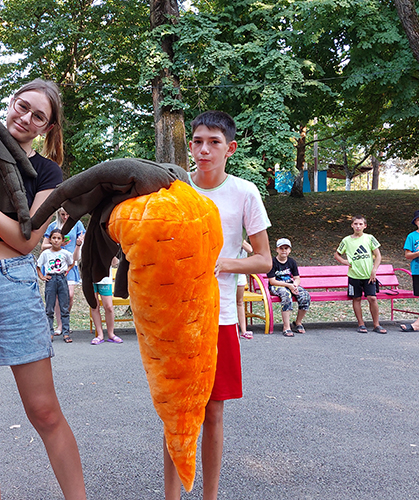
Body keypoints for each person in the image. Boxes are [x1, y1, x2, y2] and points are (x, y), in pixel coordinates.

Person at [0, 78, 86, 499]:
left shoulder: (46, 172)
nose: (24, 118)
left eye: (37, 116)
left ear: (47, 128)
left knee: (44, 411)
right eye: (21, 106)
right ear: (10, 102)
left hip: (14, 282)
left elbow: (27, 239)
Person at [170, 110, 272, 500]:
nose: (204, 149)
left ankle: (209, 496)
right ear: (190, 146)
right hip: (178, 319)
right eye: (197, 141)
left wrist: (223, 264)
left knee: (212, 414)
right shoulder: (175, 190)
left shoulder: (245, 192)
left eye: (213, 142)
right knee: (176, 417)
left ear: (229, 148)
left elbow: (263, 259)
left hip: (221, 318)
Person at [334, 215, 387, 334]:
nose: (358, 226)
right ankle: (361, 324)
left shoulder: (369, 238)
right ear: (352, 225)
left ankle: (376, 324)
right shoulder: (346, 240)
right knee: (356, 298)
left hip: (368, 276)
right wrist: (344, 261)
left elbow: (378, 255)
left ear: (365, 226)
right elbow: (337, 254)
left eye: (360, 224)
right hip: (354, 276)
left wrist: (374, 270)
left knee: (372, 298)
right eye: (356, 224)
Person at [42, 208, 85, 335]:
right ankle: (60, 326)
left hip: (69, 265)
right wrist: (57, 244)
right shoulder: (53, 226)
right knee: (56, 296)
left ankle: (65, 321)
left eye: (68, 214)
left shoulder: (77, 224)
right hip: (54, 265)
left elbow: (82, 240)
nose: (65, 217)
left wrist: (79, 243)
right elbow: (43, 246)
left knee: (69, 295)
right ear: (58, 214)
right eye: (62, 214)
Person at [37, 229, 76, 343]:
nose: (56, 240)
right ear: (50, 239)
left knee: (64, 307)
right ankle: (49, 332)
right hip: (51, 280)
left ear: (62, 240)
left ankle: (66, 333)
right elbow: (38, 266)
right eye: (54, 238)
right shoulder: (46, 253)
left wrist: (67, 270)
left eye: (59, 238)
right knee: (49, 307)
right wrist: (42, 277)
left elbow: (72, 262)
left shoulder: (65, 253)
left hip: (62, 279)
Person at [267, 238, 311, 337]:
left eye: (286, 248)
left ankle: (297, 323)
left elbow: (297, 278)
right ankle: (286, 327)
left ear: (290, 250)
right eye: (281, 248)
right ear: (277, 250)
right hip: (276, 286)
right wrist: (289, 286)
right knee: (286, 295)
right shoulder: (272, 262)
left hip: (290, 284)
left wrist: (295, 285)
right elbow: (272, 281)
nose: (284, 250)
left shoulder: (292, 262)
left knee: (305, 295)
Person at [90, 255, 122, 345]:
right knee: (94, 306)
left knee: (109, 307)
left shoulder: (107, 242)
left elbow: (115, 262)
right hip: (90, 278)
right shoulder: (87, 242)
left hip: (105, 279)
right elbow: (78, 258)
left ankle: (111, 334)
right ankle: (100, 335)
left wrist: (110, 249)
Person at [236, 240, 254, 340]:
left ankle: (243, 330)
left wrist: (240, 239)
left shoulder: (242, 240)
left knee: (239, 302)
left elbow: (250, 249)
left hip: (240, 272)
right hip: (226, 272)